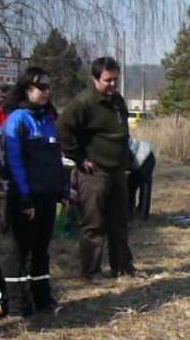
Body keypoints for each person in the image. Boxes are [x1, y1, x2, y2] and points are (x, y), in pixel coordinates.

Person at [57, 57, 138, 281]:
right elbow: (63, 127)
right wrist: (78, 157)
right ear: (95, 79)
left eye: (115, 80)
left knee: (119, 223)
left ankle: (122, 267)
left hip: (117, 170)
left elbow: (121, 132)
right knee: (94, 224)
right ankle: (91, 271)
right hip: (94, 173)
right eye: (107, 80)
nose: (112, 84)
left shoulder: (118, 101)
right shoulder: (83, 103)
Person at [0, 67, 66, 316]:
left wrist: (62, 188)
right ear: (27, 89)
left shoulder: (48, 118)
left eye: (49, 87)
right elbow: (14, 161)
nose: (47, 91)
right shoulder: (17, 119)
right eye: (42, 87)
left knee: (41, 249)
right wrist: (24, 196)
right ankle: (16, 304)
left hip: (48, 195)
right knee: (19, 250)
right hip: (25, 197)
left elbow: (56, 157)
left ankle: (43, 299)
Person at [127, 137, 155, 221]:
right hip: (136, 161)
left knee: (145, 187)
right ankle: (129, 213)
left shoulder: (118, 143)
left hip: (147, 158)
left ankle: (143, 216)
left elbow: (129, 157)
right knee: (129, 187)